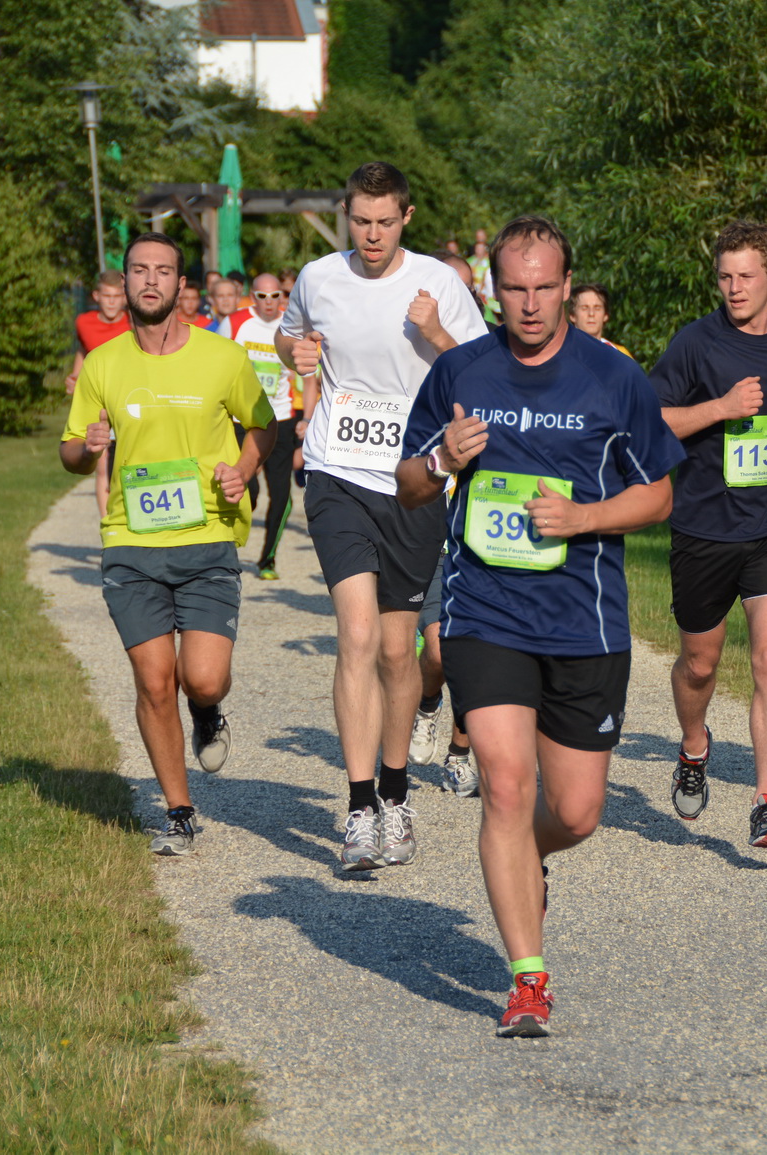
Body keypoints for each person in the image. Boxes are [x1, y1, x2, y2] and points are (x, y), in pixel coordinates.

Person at [398, 216, 684, 1037]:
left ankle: (528, 860)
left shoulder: (610, 376)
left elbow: (660, 492)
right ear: (494, 289)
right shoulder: (460, 369)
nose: (529, 304)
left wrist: (583, 515)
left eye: (544, 287)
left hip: (585, 623)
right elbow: (408, 485)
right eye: (513, 288)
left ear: (568, 286)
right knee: (506, 784)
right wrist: (441, 460)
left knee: (578, 811)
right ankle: (528, 979)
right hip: (485, 612)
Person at [277, 161, 488, 871]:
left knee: (402, 652)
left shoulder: (440, 286)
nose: (371, 234)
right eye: (360, 221)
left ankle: (397, 794)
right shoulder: (318, 277)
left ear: (408, 216)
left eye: (384, 221)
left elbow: (483, 372)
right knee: (358, 635)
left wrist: (434, 334)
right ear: (346, 215)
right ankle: (359, 806)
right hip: (337, 475)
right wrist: (292, 348)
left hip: (414, 482)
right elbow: (289, 335)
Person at [59, 232, 275, 856]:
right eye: (138, 271)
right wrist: (88, 448)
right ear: (123, 283)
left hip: (208, 536)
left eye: (163, 272)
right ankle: (179, 812)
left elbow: (264, 424)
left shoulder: (222, 357)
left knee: (202, 680)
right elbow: (70, 452)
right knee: (155, 683)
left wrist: (245, 468)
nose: (150, 281)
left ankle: (207, 712)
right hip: (132, 540)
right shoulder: (103, 365)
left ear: (183, 286)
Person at [652, 220, 767, 848]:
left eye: (746, 276)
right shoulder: (696, 343)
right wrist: (720, 408)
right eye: (725, 276)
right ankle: (694, 746)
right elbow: (651, 418)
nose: (733, 288)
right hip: (703, 525)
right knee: (700, 664)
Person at [407, 250, 485, 792]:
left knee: (473, 653)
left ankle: (461, 749)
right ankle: (427, 702)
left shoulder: (487, 351)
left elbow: (484, 384)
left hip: (480, 527)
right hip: (428, 520)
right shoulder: (404, 345)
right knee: (436, 650)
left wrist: (437, 334)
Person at [230, 273, 307, 580]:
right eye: (262, 296)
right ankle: (228, 550)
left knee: (283, 496)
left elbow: (310, 376)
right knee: (247, 488)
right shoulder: (236, 323)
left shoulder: (292, 325)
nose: (269, 303)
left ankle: (267, 559)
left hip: (282, 417)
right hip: (240, 418)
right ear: (252, 296)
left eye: (275, 295)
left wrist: (308, 417)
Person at [66, 270, 133, 517]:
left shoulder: (132, 323)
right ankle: (108, 531)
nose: (112, 301)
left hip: (128, 401)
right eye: (107, 296)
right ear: (96, 296)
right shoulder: (84, 322)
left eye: (117, 296)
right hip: (98, 404)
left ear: (125, 298)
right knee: (102, 467)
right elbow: (84, 352)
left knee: (128, 466)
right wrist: (75, 380)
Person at [569, 283, 631, 359]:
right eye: (584, 308)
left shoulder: (621, 354)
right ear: (572, 315)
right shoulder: (559, 353)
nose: (591, 313)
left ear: (605, 315)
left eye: (597, 308)